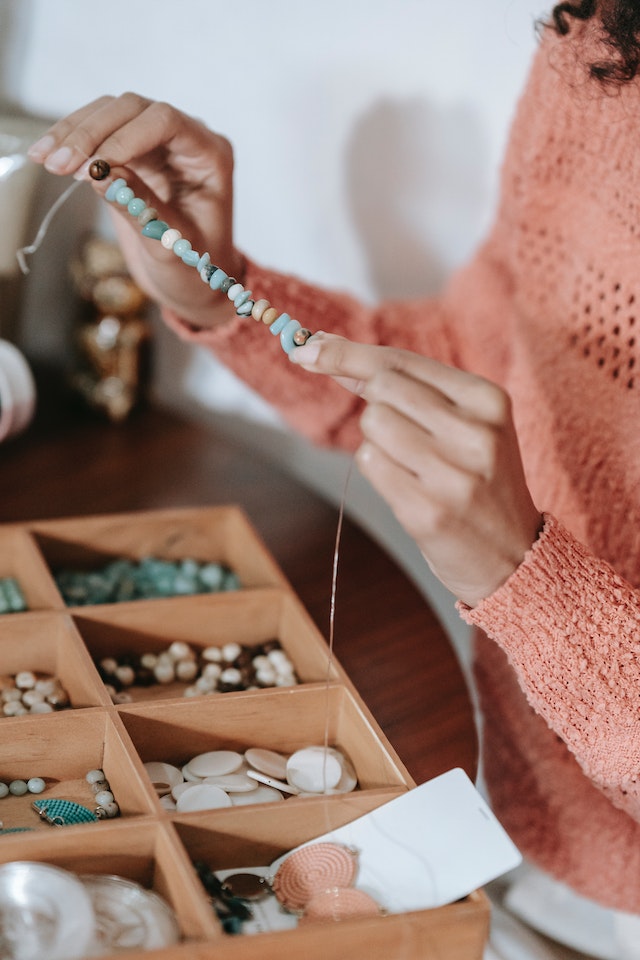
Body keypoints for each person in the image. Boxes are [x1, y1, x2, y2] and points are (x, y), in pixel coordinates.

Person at [26, 2, 640, 957]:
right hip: (515, 808)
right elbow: (475, 363)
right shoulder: (603, 37)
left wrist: (528, 581)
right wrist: (219, 289)